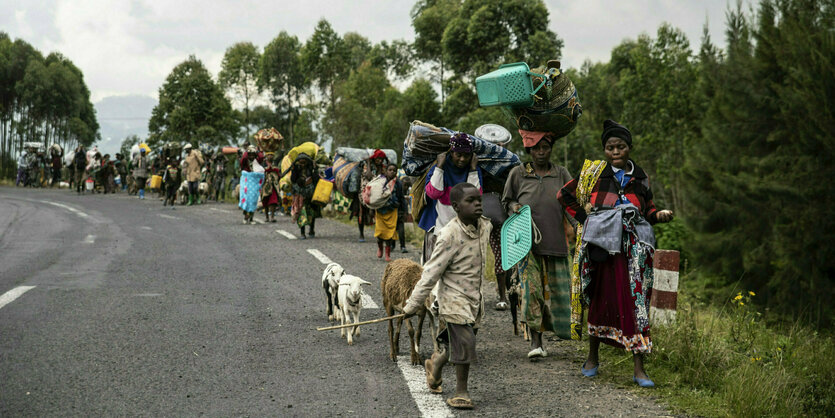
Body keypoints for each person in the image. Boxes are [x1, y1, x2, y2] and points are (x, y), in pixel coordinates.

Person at [557, 120, 674, 387]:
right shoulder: (593, 174)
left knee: (636, 304)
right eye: (610, 147)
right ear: (604, 150)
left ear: (629, 148)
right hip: (601, 249)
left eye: (620, 146)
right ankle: (592, 358)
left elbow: (648, 211)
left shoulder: (640, 177)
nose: (615, 152)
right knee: (600, 298)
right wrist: (585, 219)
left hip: (633, 251)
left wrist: (661, 216)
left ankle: (639, 368)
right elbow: (564, 195)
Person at [403, 182, 491, 410]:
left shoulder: (485, 226)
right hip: (453, 299)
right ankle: (461, 391)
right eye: (470, 201)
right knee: (465, 343)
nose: (477, 204)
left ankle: (435, 364)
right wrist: (412, 304)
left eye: (479, 200)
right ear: (455, 207)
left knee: (454, 347)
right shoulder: (448, 235)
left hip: (475, 298)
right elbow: (431, 272)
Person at [502, 130, 574, 359]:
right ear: (529, 151)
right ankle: (536, 341)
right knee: (532, 292)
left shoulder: (561, 174)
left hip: (556, 243)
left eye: (545, 147)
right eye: (536, 148)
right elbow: (507, 200)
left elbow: (573, 205)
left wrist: (582, 225)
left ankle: (564, 333)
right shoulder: (519, 173)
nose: (541, 152)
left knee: (558, 294)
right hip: (527, 247)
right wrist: (514, 207)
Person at [418, 133, 483, 260]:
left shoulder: (473, 170)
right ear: (451, 153)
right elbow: (433, 193)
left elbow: (475, 197)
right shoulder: (440, 167)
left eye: (466, 155)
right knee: (433, 269)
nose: (462, 159)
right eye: (458, 155)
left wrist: (473, 169)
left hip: (462, 231)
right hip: (438, 228)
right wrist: (440, 167)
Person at [352, 149, 387, 242]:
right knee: (361, 213)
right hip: (364, 192)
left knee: (378, 214)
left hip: (377, 193)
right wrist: (368, 163)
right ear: (374, 158)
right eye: (378, 158)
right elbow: (368, 176)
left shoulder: (382, 167)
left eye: (381, 159)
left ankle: (380, 234)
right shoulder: (367, 166)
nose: (379, 160)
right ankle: (361, 234)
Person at [374, 163, 405, 261]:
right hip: (380, 211)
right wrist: (371, 210)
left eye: (394, 170)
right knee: (379, 233)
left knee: (389, 234)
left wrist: (404, 211)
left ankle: (387, 254)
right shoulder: (380, 181)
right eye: (390, 170)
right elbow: (374, 196)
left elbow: (401, 198)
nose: (392, 172)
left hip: (392, 211)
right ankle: (380, 247)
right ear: (386, 171)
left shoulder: (398, 183)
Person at [289, 153, 320, 238]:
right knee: (300, 212)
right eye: (300, 163)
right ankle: (302, 232)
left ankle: (311, 229)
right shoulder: (296, 169)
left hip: (310, 194)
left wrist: (314, 169)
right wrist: (293, 170)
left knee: (311, 212)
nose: (302, 164)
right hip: (300, 195)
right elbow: (293, 180)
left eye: (304, 163)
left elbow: (316, 179)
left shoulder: (311, 169)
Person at [239, 145, 265, 224]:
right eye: (249, 154)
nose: (251, 156)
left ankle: (251, 218)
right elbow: (242, 160)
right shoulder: (245, 161)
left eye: (253, 155)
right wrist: (246, 151)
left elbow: (261, 157)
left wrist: (257, 151)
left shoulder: (257, 161)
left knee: (253, 199)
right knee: (246, 198)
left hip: (254, 182)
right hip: (246, 181)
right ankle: (245, 216)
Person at [261, 154, 282, 222]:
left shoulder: (275, 167)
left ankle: (272, 217)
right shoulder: (263, 165)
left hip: (273, 187)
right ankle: (267, 217)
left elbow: (278, 175)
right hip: (265, 187)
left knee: (273, 201)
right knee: (265, 201)